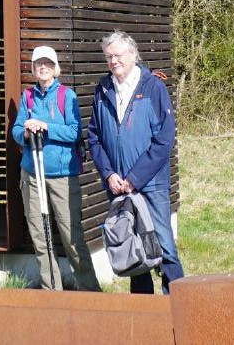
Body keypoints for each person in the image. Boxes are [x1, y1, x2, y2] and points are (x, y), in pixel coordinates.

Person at [87, 30, 184, 294]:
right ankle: (143, 311)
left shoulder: (153, 87)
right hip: (119, 187)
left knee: (165, 247)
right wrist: (109, 174)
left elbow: (164, 139)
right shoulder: (103, 90)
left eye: (118, 55)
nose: (113, 61)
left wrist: (135, 178)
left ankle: (178, 304)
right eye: (108, 57)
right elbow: (94, 138)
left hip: (151, 185)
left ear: (132, 54)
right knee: (134, 250)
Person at [10, 44, 100, 291]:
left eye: (47, 63)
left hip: (62, 177)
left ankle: (90, 292)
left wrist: (45, 126)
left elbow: (74, 132)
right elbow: (16, 130)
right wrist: (26, 132)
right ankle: (52, 292)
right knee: (40, 236)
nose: (43, 67)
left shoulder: (66, 96)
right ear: (33, 68)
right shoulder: (28, 96)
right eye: (38, 63)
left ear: (55, 67)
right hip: (32, 174)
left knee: (72, 236)